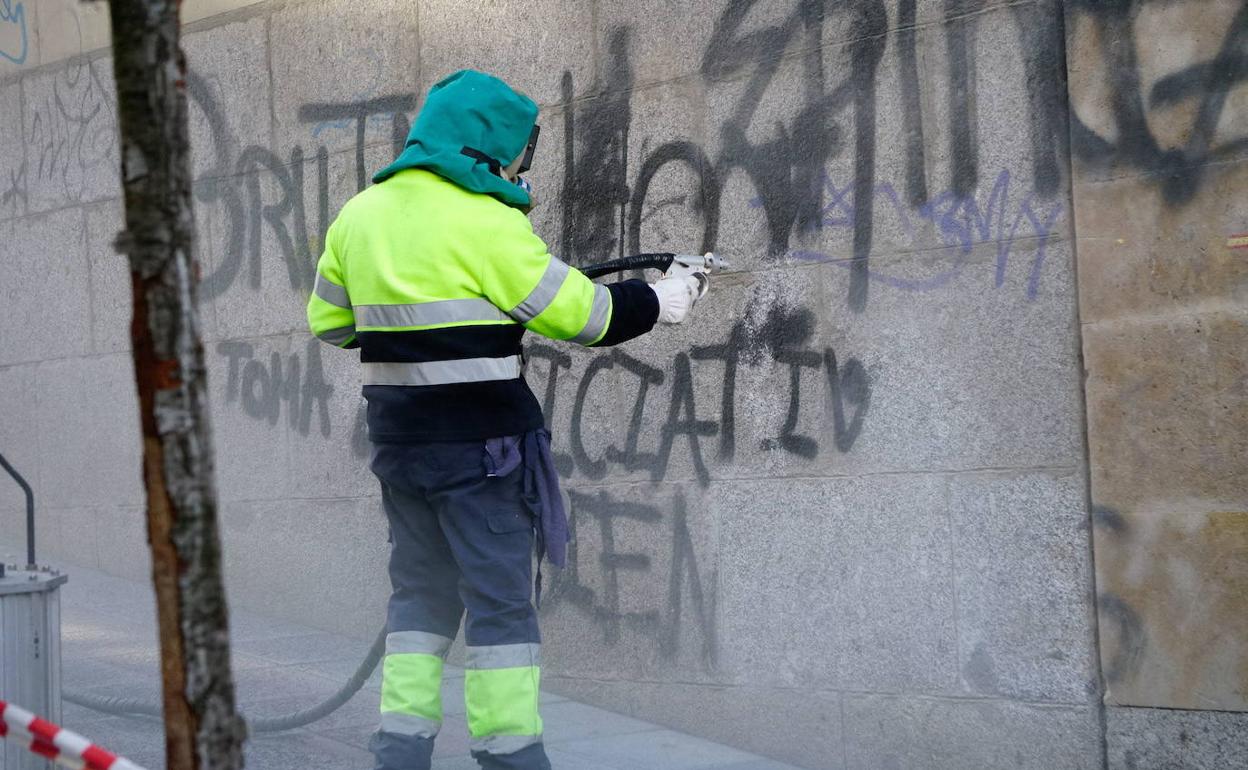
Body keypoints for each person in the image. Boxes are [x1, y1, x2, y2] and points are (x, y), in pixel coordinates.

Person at [306, 69, 705, 770]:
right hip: (481, 454)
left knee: (420, 599)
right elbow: (587, 317)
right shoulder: (487, 221)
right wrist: (659, 300)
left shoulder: (358, 216)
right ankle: (510, 753)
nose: (522, 166)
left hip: (400, 451)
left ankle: (400, 751)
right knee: (500, 607)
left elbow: (331, 325)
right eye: (521, 150)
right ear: (489, 144)